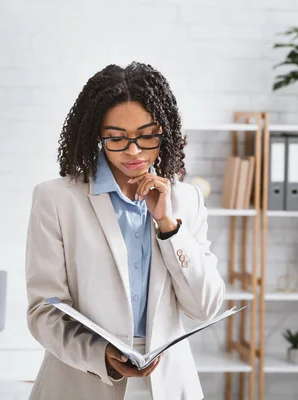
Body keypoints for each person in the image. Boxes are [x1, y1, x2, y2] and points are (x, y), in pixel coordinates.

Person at [25, 62, 225, 400]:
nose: (133, 151)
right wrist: (100, 355)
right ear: (96, 136)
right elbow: (44, 310)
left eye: (147, 136)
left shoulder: (185, 199)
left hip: (167, 384)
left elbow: (205, 307)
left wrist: (168, 226)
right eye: (116, 138)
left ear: (165, 131)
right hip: (81, 382)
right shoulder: (56, 199)